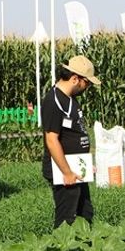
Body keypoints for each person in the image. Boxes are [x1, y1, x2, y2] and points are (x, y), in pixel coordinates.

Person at [42, 55, 101, 227]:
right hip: (64, 169)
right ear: (75, 79)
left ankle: (86, 250)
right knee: (67, 217)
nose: (87, 87)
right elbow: (52, 140)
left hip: (76, 166)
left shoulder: (70, 99)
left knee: (85, 212)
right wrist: (67, 172)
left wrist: (86, 163)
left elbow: (75, 132)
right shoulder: (54, 101)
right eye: (87, 82)